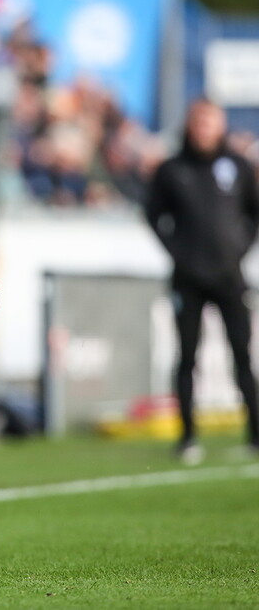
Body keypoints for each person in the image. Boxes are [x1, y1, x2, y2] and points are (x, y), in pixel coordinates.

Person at [145, 99, 259, 465]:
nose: (204, 130)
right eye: (199, 123)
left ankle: (255, 434)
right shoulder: (171, 169)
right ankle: (188, 437)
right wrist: (177, 252)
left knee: (242, 354)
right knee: (186, 357)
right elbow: (152, 214)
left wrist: (239, 251)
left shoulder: (238, 167)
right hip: (188, 279)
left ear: (220, 126)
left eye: (211, 123)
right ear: (189, 126)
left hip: (229, 277)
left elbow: (253, 214)